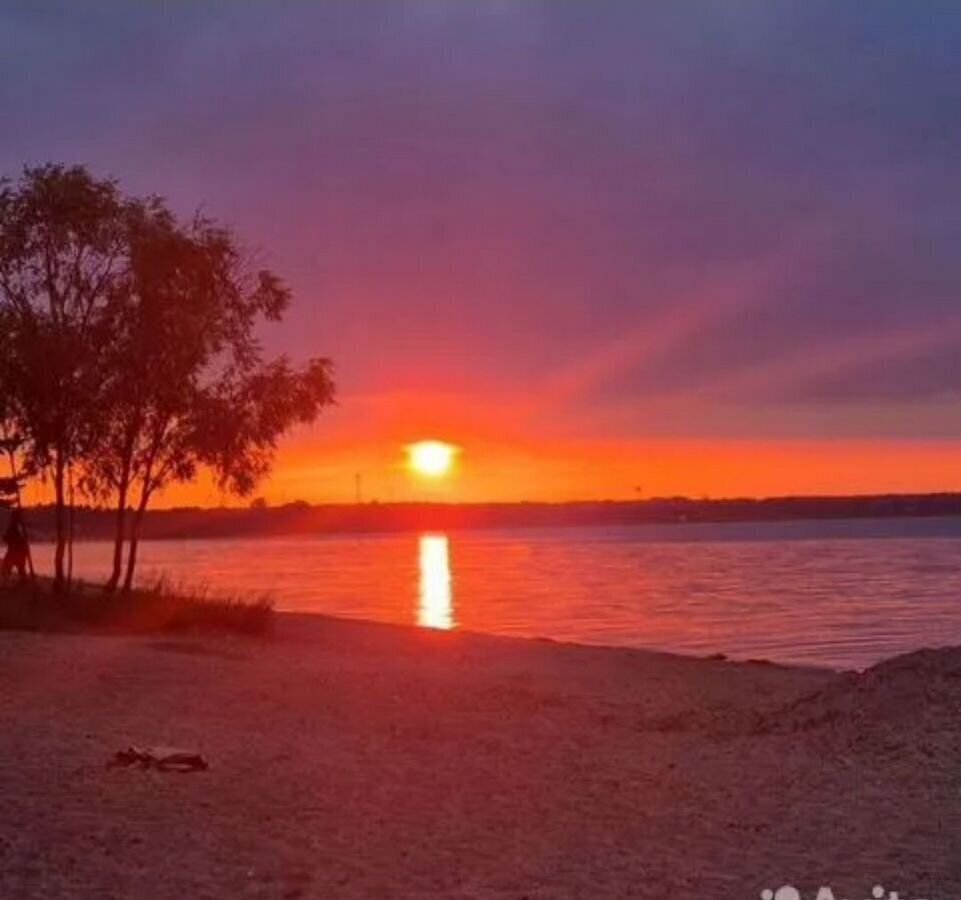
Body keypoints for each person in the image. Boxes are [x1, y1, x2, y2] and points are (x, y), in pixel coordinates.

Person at [2, 509, 30, 583]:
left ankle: (22, 580)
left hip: (17, 552)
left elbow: (21, 539)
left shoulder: (18, 527)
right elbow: (8, 537)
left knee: (17, 568)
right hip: (15, 551)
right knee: (8, 567)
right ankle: (21, 580)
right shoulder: (15, 527)